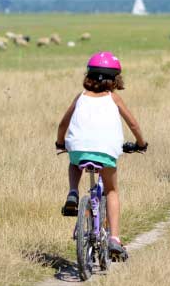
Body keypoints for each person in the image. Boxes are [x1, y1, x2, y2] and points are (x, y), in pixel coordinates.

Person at [56, 51, 147, 260]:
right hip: (105, 151)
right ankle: (115, 239)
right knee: (112, 190)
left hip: (78, 148)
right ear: (115, 78)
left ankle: (72, 192)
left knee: (73, 162)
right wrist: (141, 144)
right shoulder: (113, 98)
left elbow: (63, 123)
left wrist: (61, 142)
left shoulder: (80, 97)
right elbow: (133, 124)